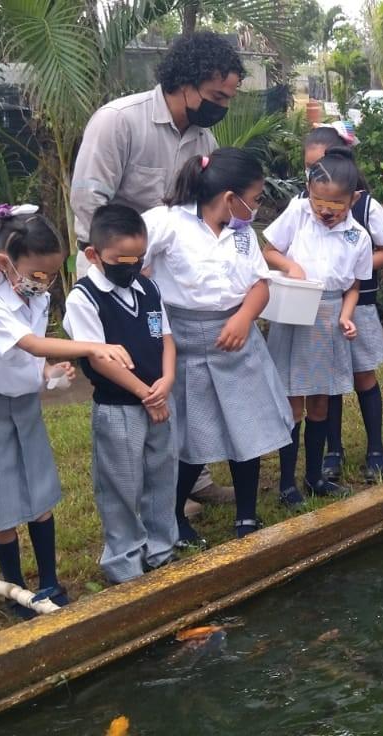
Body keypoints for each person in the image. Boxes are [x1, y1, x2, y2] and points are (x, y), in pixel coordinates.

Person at [69, 31, 244, 513]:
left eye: (228, 98)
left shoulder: (203, 137)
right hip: (118, 275)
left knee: (176, 377)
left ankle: (191, 475)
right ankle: (151, 488)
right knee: (132, 378)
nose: (222, 106)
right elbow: (88, 201)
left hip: (167, 279)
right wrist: (107, 278)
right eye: (217, 96)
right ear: (187, 82)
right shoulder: (119, 122)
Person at [0, 205, 133, 613]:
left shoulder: (32, 296)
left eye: (52, 275)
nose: (47, 283)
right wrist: (93, 345)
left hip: (24, 407)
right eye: (39, 275)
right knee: (4, 507)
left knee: (39, 494)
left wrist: (47, 373)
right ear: (5, 263)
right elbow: (30, 344)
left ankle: (49, 581)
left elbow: (31, 358)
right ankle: (14, 589)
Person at [143, 148, 296, 542]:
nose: (258, 207)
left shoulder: (242, 234)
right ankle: (173, 515)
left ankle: (246, 515)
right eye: (257, 198)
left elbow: (259, 285)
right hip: (188, 343)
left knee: (250, 429)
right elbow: (125, 262)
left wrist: (244, 317)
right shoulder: (167, 223)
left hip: (237, 339)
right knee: (193, 437)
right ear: (231, 198)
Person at [64, 205, 181, 581]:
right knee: (121, 484)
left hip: (160, 398)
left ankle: (162, 549)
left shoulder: (147, 287)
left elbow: (165, 337)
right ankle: (124, 561)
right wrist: (147, 394)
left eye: (139, 258)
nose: (131, 266)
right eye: (121, 260)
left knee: (162, 476)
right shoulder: (84, 298)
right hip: (120, 407)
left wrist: (166, 382)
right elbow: (99, 358)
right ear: (94, 256)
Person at [264, 147, 374, 499]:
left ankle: (314, 476)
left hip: (328, 318)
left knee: (321, 402)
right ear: (308, 191)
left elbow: (354, 286)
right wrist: (289, 267)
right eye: (318, 202)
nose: (325, 211)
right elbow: (269, 249)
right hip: (295, 313)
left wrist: (345, 316)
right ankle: (286, 484)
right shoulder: (298, 212)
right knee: (294, 402)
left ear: (354, 198)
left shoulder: (358, 236)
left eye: (336, 205)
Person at [301, 124, 383, 485]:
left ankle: (376, 449)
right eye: (310, 170)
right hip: (317, 307)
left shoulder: (366, 206)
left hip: (358, 305)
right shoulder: (305, 204)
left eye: (319, 166)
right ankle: (332, 450)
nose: (314, 176)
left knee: (362, 375)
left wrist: (351, 270)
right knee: (328, 380)